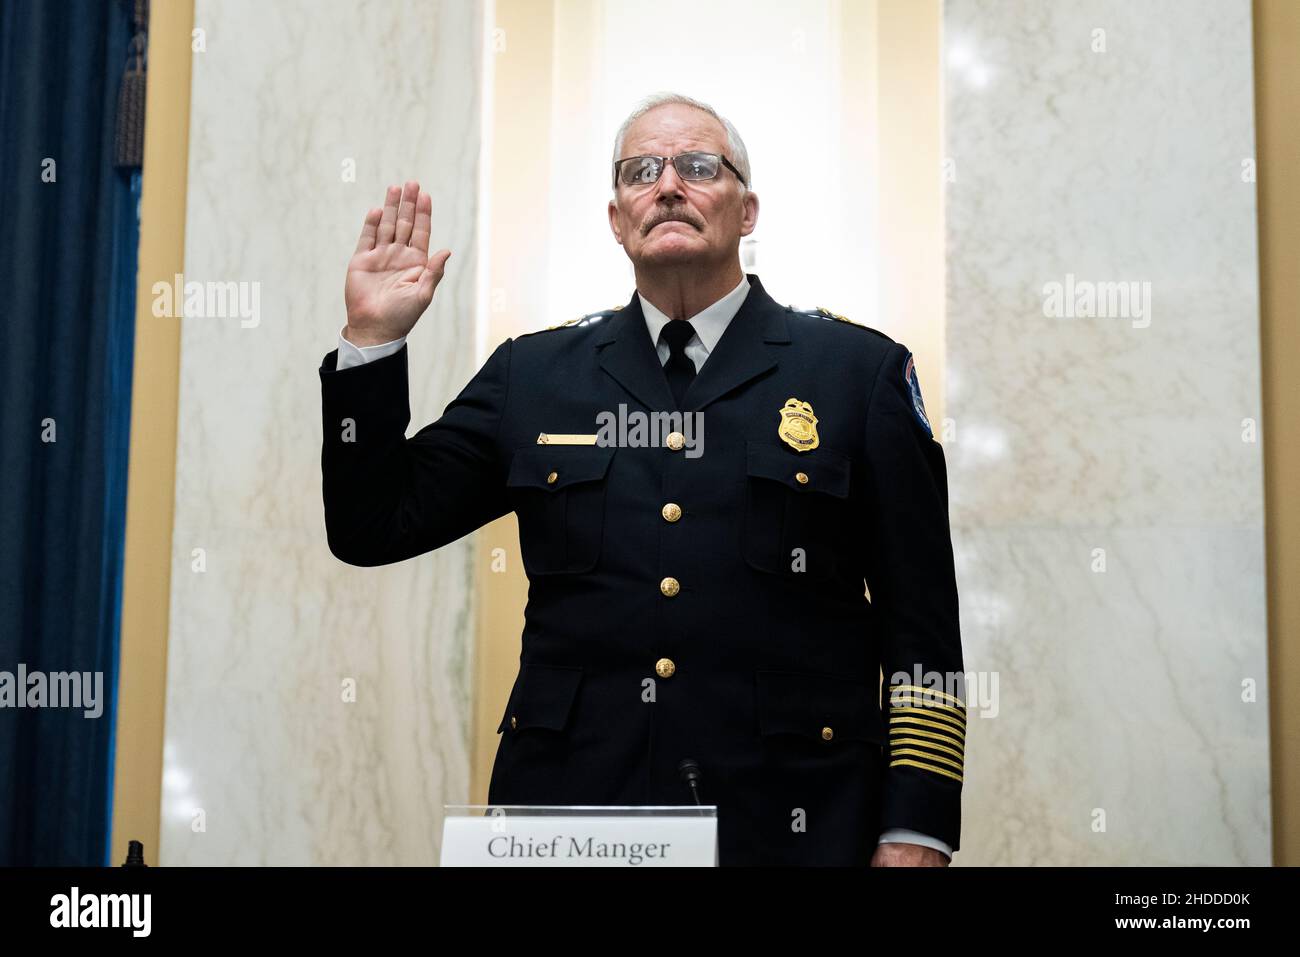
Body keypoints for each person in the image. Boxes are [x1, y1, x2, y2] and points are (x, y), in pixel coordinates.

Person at [319, 92, 966, 866]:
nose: (667, 185)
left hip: (795, 819)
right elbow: (372, 524)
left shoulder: (857, 375)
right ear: (617, 217)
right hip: (574, 818)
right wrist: (371, 345)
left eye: (698, 167)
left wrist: (916, 827)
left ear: (747, 208)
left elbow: (922, 627)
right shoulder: (534, 375)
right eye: (640, 172)